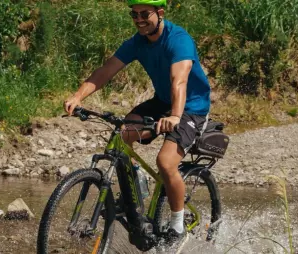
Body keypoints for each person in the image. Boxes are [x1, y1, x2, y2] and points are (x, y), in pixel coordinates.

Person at [63, 0, 211, 249]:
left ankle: (177, 223)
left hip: (190, 108)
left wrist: (175, 116)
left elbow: (179, 80)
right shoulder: (137, 42)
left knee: (165, 162)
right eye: (134, 14)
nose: (139, 19)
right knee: (123, 134)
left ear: (160, 13)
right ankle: (137, 187)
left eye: (145, 14)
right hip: (162, 102)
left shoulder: (179, 39)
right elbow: (106, 70)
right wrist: (78, 96)